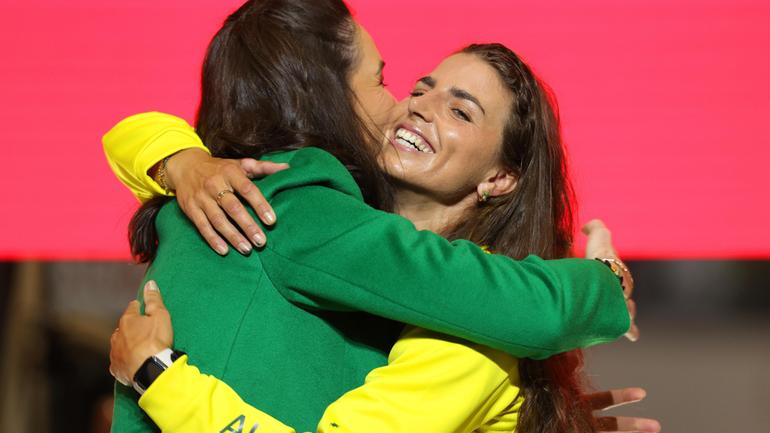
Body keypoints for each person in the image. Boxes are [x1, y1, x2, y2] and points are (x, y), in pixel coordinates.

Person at [103, 1, 637, 432]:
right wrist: (181, 159)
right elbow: (129, 134)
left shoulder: (471, 323)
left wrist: (160, 378)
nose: (411, 106)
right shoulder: (289, 201)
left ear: (499, 178)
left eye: (460, 111)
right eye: (410, 87)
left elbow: (532, 310)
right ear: (328, 97)